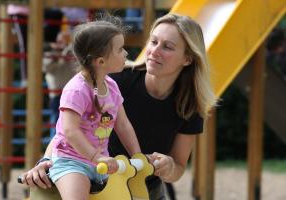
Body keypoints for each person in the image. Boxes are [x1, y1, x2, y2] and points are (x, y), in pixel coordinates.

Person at [20, 13, 217, 199]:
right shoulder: (113, 79)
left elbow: (179, 168)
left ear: (188, 59)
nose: (154, 51)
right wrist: (46, 162)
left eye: (167, 46)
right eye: (153, 41)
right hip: (99, 181)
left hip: (144, 188)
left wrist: (170, 167)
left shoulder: (190, 105)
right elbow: (69, 128)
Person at [32, 16, 142, 200]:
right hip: (71, 162)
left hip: (100, 163)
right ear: (100, 61)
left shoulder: (112, 87)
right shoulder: (77, 90)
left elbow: (123, 125)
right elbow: (70, 130)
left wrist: (138, 156)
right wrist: (96, 157)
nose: (126, 54)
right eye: (120, 49)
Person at [42, 31, 77, 138]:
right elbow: (46, 68)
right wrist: (61, 56)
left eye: (64, 41)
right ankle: (54, 149)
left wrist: (69, 48)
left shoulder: (72, 52)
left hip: (72, 95)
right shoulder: (49, 55)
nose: (61, 43)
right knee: (57, 124)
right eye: (60, 41)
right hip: (57, 95)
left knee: (73, 124)